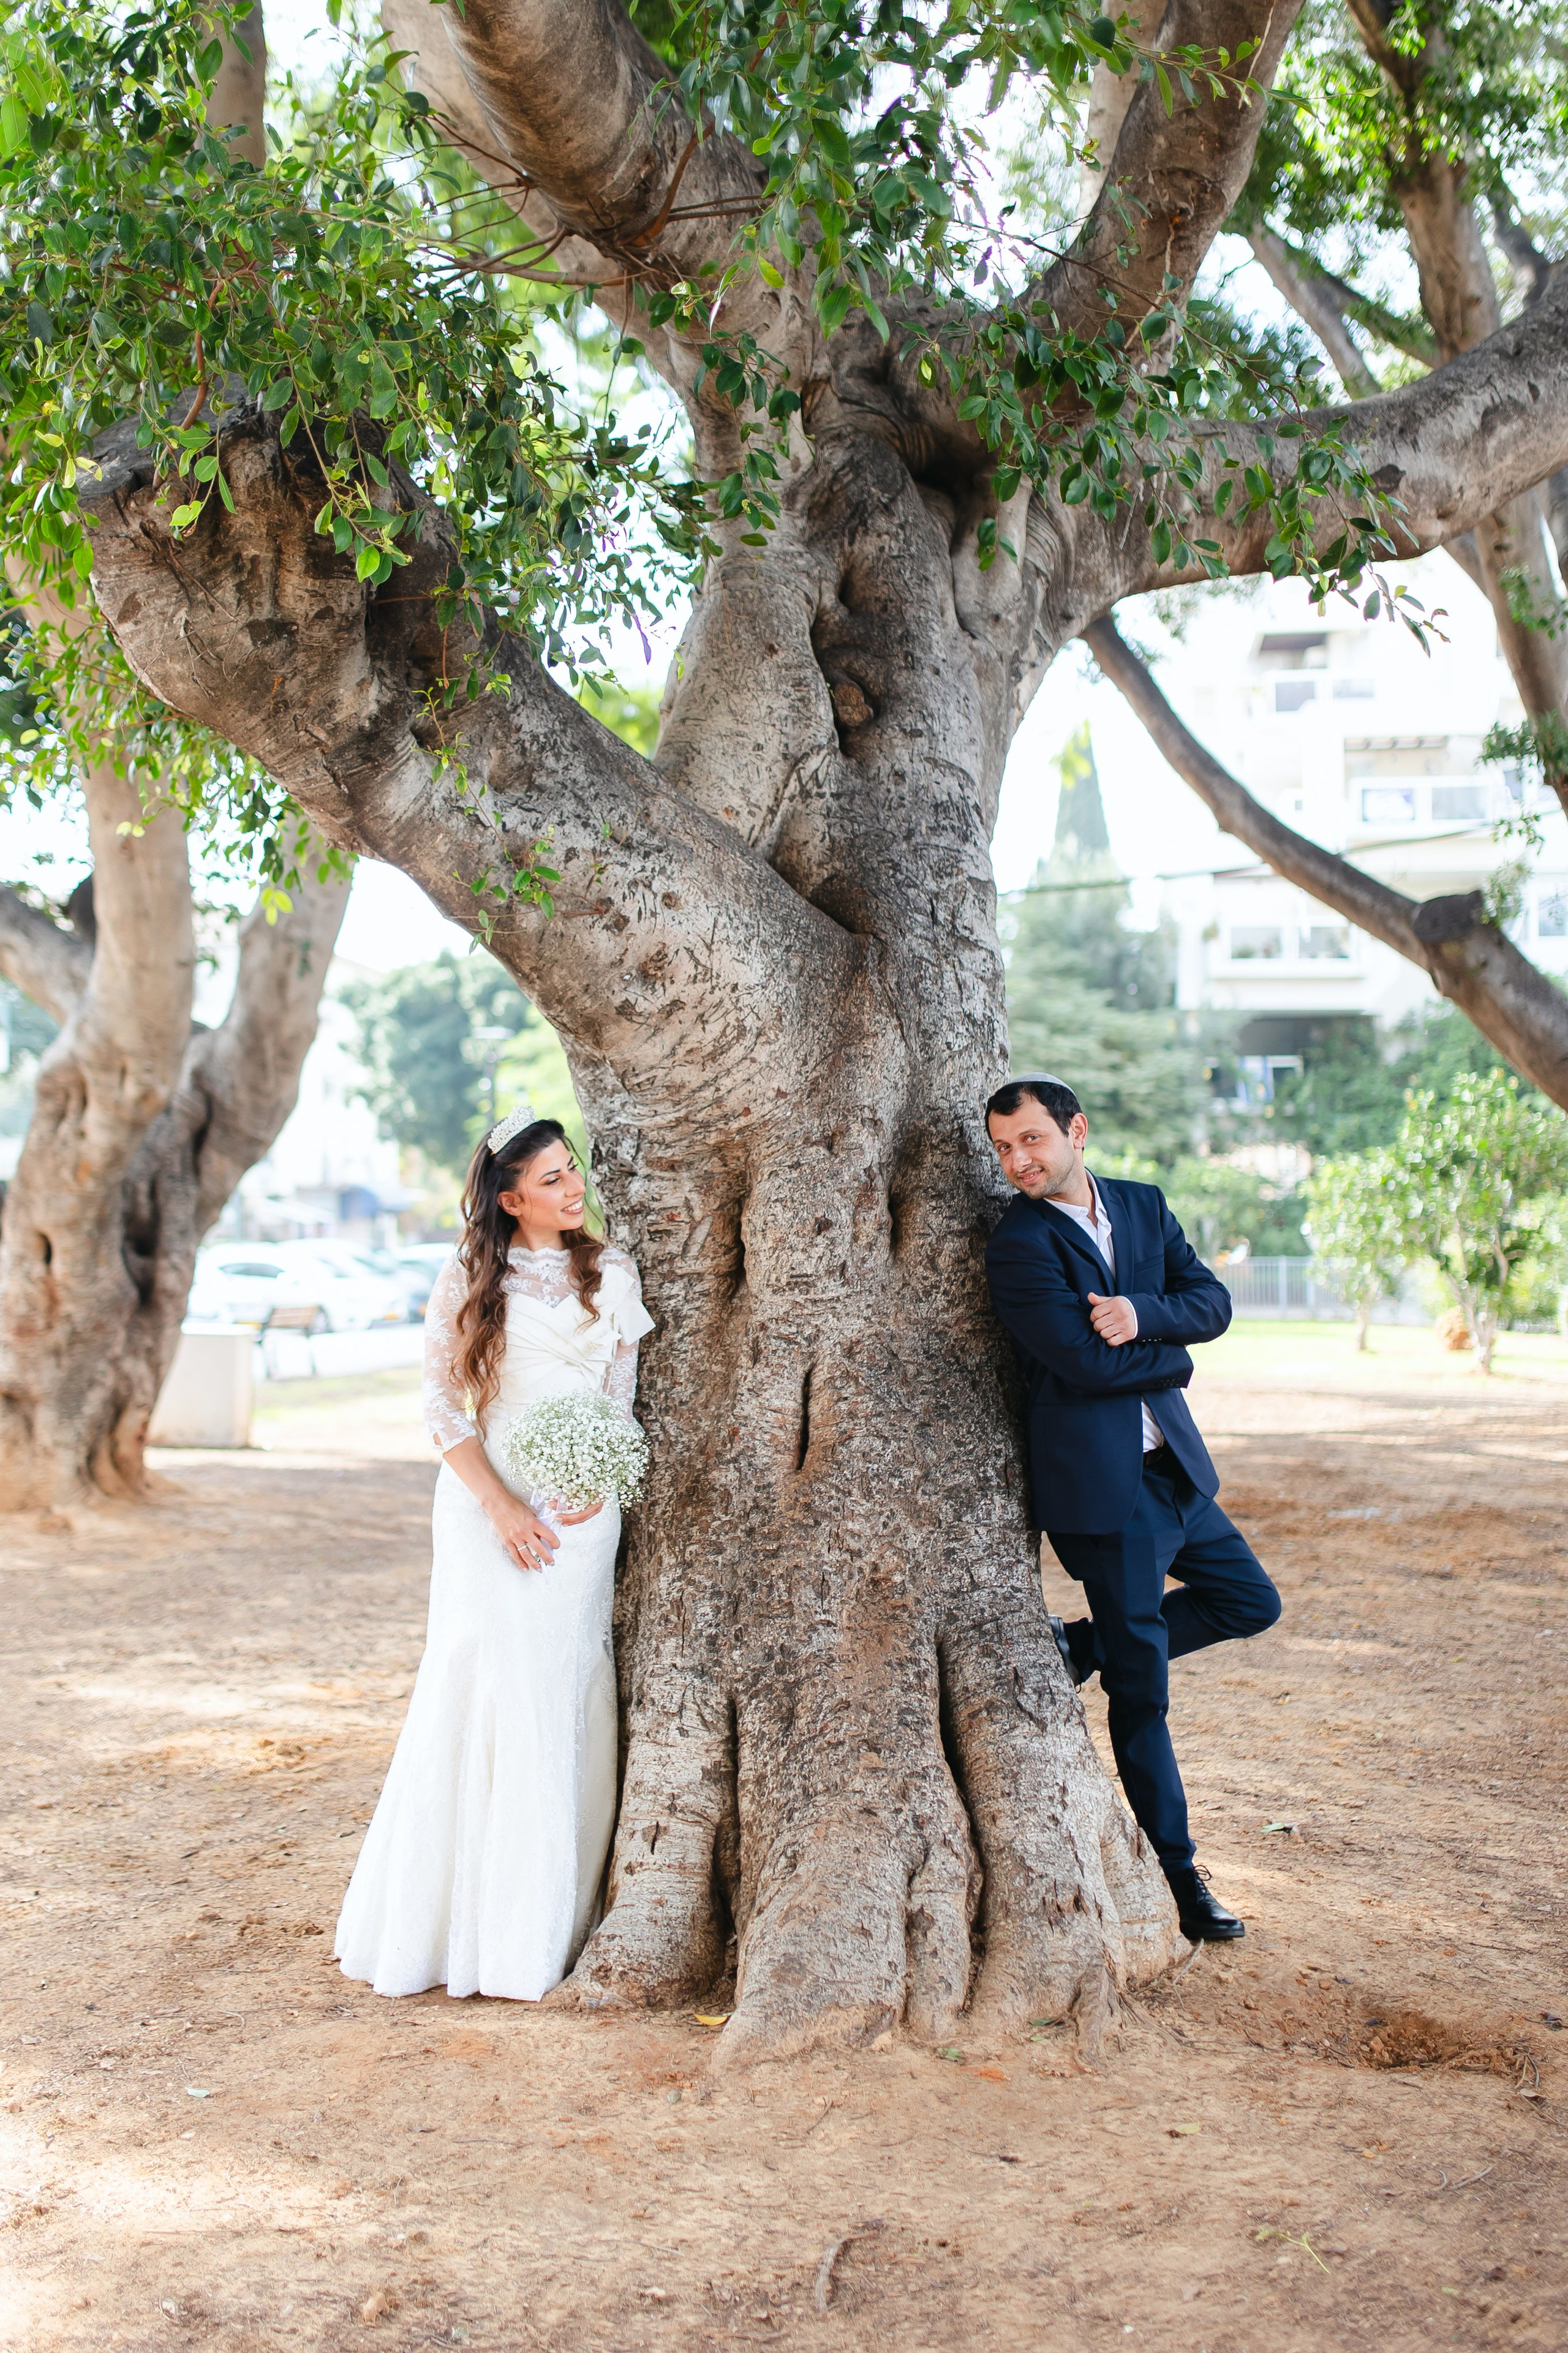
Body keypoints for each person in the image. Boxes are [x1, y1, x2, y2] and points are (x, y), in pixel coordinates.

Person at [335, 1101, 654, 2001]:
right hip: (489, 1504)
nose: (573, 1185)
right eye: (551, 1177)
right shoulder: (471, 1274)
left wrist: (599, 1477)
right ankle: (458, 1927)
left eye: (573, 1169)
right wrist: (505, 1507)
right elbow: (441, 1408)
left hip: (585, 1513)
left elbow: (618, 1394)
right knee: (490, 1685)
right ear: (511, 1198)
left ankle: (549, 1917)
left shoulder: (611, 1269)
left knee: (561, 1687)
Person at [983, 1073, 1280, 1944]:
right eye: (1004, 1147)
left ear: (1076, 1129)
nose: (1018, 1161)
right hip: (1104, 1496)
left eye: (1032, 1139)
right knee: (1143, 1695)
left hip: (1176, 1473)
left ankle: (1082, 1642)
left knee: (1250, 1601)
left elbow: (1211, 1303)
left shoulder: (1145, 1207)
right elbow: (1084, 1366)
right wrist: (1176, 1358)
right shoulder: (1020, 1243)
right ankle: (1180, 1875)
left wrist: (1143, 1313)